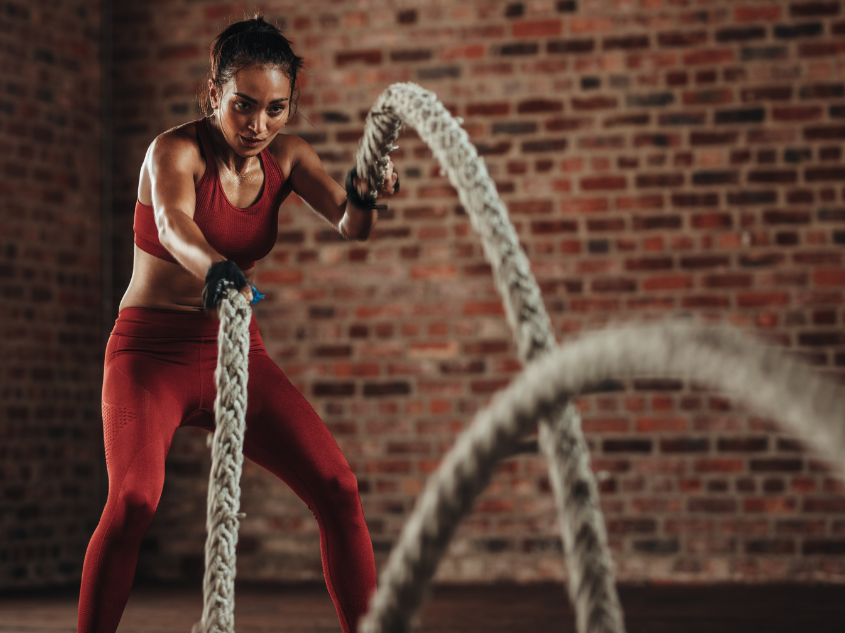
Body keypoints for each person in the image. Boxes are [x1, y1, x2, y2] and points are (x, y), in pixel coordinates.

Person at [78, 16, 397, 633]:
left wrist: (368, 190)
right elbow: (173, 225)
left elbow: (352, 225)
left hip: (234, 351)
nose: (257, 125)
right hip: (150, 354)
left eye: (276, 109)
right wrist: (218, 271)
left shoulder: (288, 157)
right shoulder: (174, 151)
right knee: (134, 500)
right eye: (243, 106)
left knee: (338, 486)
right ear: (213, 95)